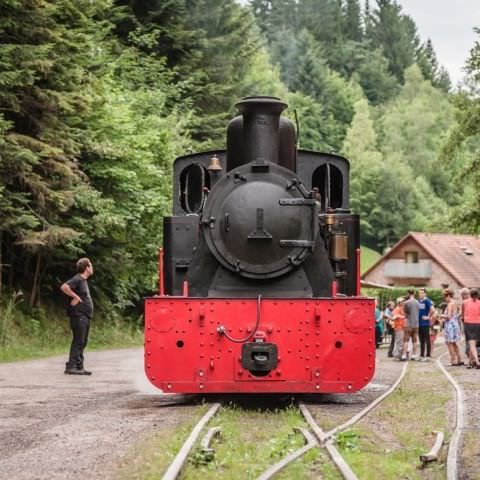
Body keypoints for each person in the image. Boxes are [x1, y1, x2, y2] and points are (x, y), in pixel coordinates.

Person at [60, 258, 94, 375]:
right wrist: (76, 297)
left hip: (85, 315)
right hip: (78, 315)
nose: (92, 268)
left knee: (83, 341)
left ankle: (79, 366)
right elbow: (64, 287)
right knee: (79, 340)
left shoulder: (83, 281)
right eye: (91, 265)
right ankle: (71, 366)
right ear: (87, 268)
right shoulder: (78, 278)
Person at [441, 288, 463, 366]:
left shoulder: (450, 304)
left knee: (449, 343)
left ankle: (453, 360)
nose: (444, 299)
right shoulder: (455, 303)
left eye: (444, 297)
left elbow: (449, 316)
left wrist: (439, 315)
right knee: (454, 343)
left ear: (448, 296)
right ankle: (459, 359)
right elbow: (460, 313)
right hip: (455, 324)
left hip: (450, 325)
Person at [462, 288, 480, 369]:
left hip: (468, 324)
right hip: (478, 324)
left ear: (470, 294)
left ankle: (477, 361)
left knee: (472, 345)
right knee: (473, 345)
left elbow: (462, 314)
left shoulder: (464, 302)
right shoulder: (479, 303)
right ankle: (470, 363)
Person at [402, 289, 419, 361]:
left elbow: (405, 313)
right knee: (415, 340)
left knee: (406, 340)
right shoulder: (417, 302)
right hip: (416, 324)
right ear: (414, 293)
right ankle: (414, 355)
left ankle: (404, 355)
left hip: (408, 324)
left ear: (408, 293)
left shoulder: (406, 303)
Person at [418, 288, 435, 361]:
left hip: (425, 323)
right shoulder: (418, 301)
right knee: (421, 340)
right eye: (420, 293)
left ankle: (428, 355)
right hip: (419, 323)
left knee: (427, 339)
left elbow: (433, 309)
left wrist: (428, 317)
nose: (420, 294)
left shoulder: (427, 301)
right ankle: (421, 355)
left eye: (422, 293)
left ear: (425, 294)